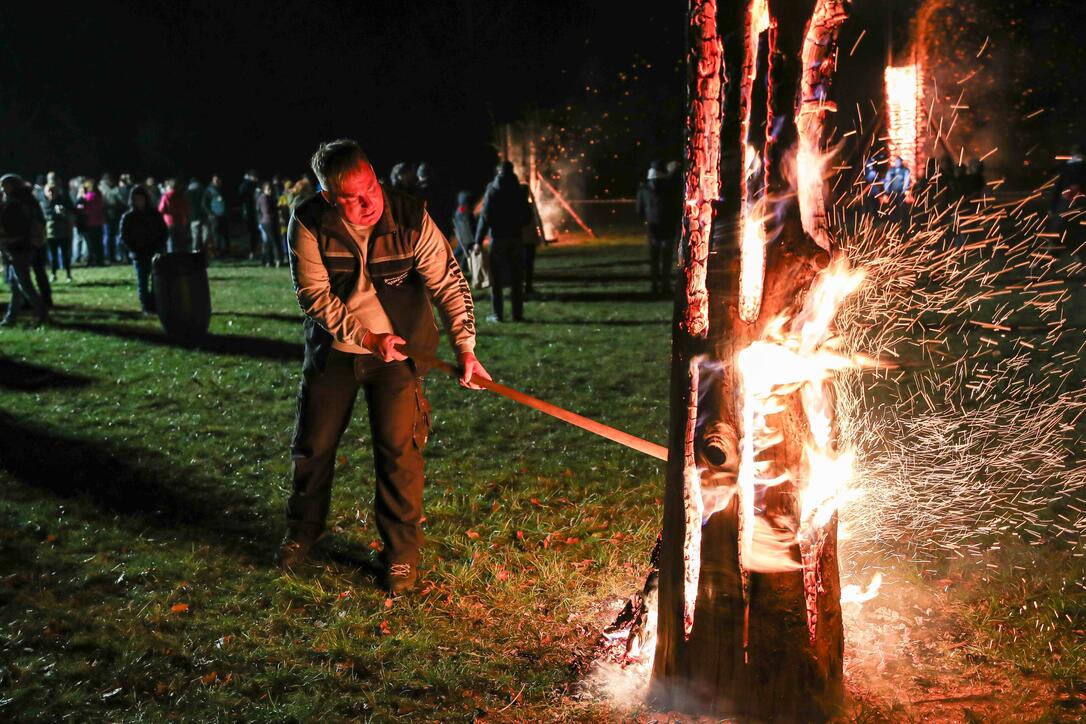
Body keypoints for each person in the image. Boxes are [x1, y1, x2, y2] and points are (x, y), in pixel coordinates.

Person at [280, 138, 488, 595]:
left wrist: (466, 349)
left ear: (376, 176)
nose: (368, 202)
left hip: (402, 354)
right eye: (352, 198)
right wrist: (367, 337)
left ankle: (400, 554)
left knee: (399, 452)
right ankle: (303, 531)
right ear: (329, 198)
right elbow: (313, 295)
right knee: (313, 446)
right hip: (335, 353)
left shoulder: (410, 216)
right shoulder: (309, 221)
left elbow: (449, 282)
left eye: (370, 188)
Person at [475, 161, 530, 322]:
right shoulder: (519, 190)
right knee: (516, 279)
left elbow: (485, 216)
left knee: (496, 280)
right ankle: (517, 315)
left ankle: (497, 315)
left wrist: (478, 239)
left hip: (498, 238)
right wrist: (518, 223)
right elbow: (527, 216)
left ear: (498, 172)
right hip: (515, 238)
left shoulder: (492, 190)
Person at [0, 174, 48, 327]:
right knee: (16, 285)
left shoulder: (16, 203)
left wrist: (6, 240)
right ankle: (10, 318)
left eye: (4, 185)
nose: (2, 188)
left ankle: (42, 314)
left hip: (19, 247)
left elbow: (17, 228)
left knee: (23, 284)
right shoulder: (28, 201)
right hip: (25, 246)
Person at [120, 186, 168, 314]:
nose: (139, 201)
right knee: (143, 282)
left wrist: (160, 246)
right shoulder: (129, 217)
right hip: (139, 254)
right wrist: (133, 249)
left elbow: (163, 231)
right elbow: (124, 236)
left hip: (154, 252)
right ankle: (146, 306)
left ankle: (154, 305)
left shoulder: (154, 215)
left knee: (155, 281)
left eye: (141, 199)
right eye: (136, 199)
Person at [636, 162, 678, 295]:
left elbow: (639, 210)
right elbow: (676, 208)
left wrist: (646, 222)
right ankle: (665, 286)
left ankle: (654, 284)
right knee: (666, 259)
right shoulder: (670, 189)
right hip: (668, 227)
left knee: (654, 259)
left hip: (652, 228)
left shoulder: (643, 190)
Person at [43, 183, 74, 283]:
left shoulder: (63, 202)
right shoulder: (45, 203)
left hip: (63, 232)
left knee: (65, 255)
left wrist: (63, 212)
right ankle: (53, 274)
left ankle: (68, 275)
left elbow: (71, 213)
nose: (51, 193)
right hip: (51, 234)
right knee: (53, 256)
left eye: (53, 190)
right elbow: (46, 215)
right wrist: (55, 213)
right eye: (49, 191)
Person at [76, 178, 107, 266]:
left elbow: (84, 210)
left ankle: (92, 261)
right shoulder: (98, 195)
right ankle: (100, 260)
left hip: (90, 223)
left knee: (91, 244)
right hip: (99, 222)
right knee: (99, 243)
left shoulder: (88, 197)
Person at [158, 178, 190, 252]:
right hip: (181, 221)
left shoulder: (166, 196)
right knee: (181, 243)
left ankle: (172, 259)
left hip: (169, 222)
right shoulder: (182, 196)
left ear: (170, 186)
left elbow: (161, 209)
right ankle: (182, 258)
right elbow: (187, 209)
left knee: (171, 242)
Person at [256, 180, 281, 267]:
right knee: (274, 241)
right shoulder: (265, 198)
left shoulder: (261, 198)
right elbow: (267, 211)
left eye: (271, 189)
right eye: (268, 189)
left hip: (264, 222)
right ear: (264, 190)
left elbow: (258, 210)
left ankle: (268, 261)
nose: (270, 191)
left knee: (267, 242)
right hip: (268, 222)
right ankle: (277, 260)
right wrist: (276, 210)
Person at [202, 175, 229, 257]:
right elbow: (204, 204)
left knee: (225, 234)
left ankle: (226, 252)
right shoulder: (209, 190)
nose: (217, 181)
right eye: (215, 180)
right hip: (214, 216)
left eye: (218, 180)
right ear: (212, 181)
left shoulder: (222, 189)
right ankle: (217, 252)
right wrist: (210, 213)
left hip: (223, 215)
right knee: (216, 235)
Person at [238, 170, 260, 259]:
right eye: (255, 177)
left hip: (251, 213)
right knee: (252, 233)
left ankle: (253, 251)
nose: (256, 179)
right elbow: (241, 195)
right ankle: (251, 251)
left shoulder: (249, 185)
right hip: (250, 214)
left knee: (253, 233)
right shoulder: (247, 185)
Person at [186, 177, 207, 253]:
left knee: (195, 236)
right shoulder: (202, 191)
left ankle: (195, 251)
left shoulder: (187, 193)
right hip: (203, 216)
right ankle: (203, 251)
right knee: (204, 235)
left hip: (193, 217)